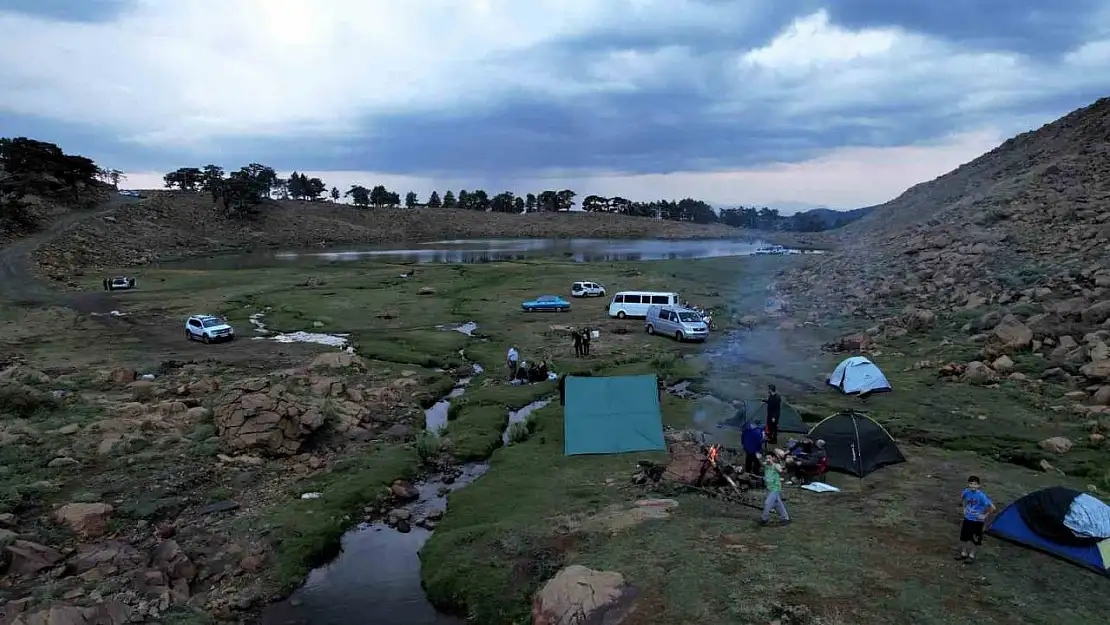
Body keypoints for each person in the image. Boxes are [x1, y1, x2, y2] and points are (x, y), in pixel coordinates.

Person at [958, 475, 996, 563]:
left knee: (975, 539)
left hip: (977, 521)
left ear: (979, 486)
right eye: (971, 483)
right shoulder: (966, 492)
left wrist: (985, 515)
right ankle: (963, 553)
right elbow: (963, 500)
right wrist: (964, 509)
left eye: (975, 484)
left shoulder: (981, 496)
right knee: (965, 537)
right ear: (968, 484)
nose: (973, 486)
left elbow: (993, 508)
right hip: (968, 519)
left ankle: (971, 556)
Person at [759, 450, 790, 527]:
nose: (767, 459)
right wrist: (759, 458)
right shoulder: (766, 465)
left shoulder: (776, 465)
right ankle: (785, 518)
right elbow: (761, 464)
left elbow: (780, 471)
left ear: (773, 458)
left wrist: (773, 463)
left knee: (767, 503)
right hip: (769, 488)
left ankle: (764, 519)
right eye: (766, 458)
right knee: (777, 504)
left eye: (769, 458)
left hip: (775, 488)